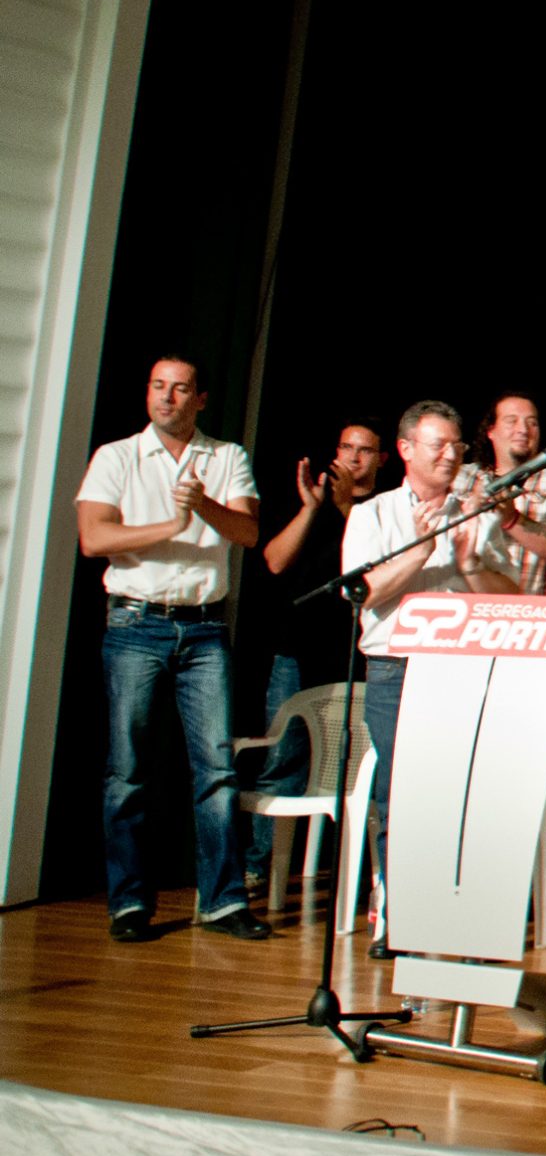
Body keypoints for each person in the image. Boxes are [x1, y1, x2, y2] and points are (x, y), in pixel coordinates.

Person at [76, 355, 269, 942]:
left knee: (214, 769)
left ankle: (223, 901)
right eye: (158, 385)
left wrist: (203, 505)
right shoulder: (118, 456)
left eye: (180, 388)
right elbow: (94, 538)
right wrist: (171, 523)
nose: (166, 397)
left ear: (200, 400)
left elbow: (246, 533)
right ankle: (130, 904)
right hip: (136, 624)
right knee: (127, 771)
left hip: (205, 628)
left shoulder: (226, 456)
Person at [343, 399, 521, 958]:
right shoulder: (372, 515)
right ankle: (400, 917)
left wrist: (469, 565)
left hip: (461, 666)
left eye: (457, 447)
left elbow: (513, 596)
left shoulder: (477, 514)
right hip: (395, 667)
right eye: (437, 445)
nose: (450, 455)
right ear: (405, 450)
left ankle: (456, 913)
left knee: (458, 794)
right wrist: (420, 552)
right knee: (402, 794)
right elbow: (364, 593)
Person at [243, 420, 388, 893]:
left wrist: (347, 507)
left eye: (365, 450)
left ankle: (362, 877)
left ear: (383, 458)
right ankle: (261, 866)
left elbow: (368, 567)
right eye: (346, 447)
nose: (354, 458)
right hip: (297, 649)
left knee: (361, 767)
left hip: (355, 654)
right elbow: (275, 560)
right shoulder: (313, 500)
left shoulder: (385, 511)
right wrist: (312, 509)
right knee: (283, 757)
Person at [450, 391, 546, 596]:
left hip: (539, 616)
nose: (523, 430)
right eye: (511, 421)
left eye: (532, 423)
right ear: (490, 431)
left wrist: (513, 520)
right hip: (474, 614)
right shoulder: (463, 477)